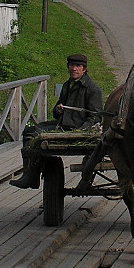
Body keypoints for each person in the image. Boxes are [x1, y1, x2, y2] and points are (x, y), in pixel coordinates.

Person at [10, 53, 103, 189]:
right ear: (68, 67)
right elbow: (57, 112)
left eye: (78, 66)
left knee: (34, 134)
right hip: (63, 125)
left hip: (74, 128)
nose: (74, 69)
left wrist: (81, 131)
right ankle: (30, 175)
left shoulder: (92, 89)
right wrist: (58, 110)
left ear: (84, 69)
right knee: (29, 132)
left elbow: (96, 116)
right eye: (72, 65)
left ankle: (31, 176)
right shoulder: (67, 85)